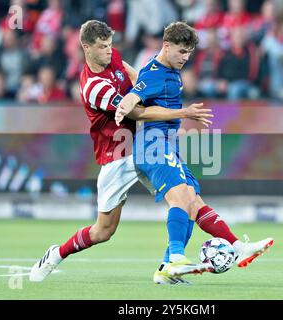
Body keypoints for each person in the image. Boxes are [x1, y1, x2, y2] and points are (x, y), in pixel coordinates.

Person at [29, 20, 213, 283]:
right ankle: (56, 253)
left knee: (187, 199)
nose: (109, 51)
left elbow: (134, 76)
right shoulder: (94, 88)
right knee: (103, 231)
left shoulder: (112, 56)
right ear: (86, 47)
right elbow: (136, 111)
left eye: (110, 45)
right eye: (102, 47)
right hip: (117, 156)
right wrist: (181, 112)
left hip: (146, 146)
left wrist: (148, 84)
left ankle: (170, 266)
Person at [115, 21, 274, 284]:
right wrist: (125, 107)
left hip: (168, 147)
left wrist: (120, 65)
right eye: (181, 52)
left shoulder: (162, 68)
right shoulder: (157, 73)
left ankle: (231, 247)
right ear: (166, 46)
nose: (185, 58)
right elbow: (134, 97)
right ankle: (175, 258)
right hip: (153, 146)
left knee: (193, 203)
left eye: (189, 53)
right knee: (181, 200)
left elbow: (138, 79)